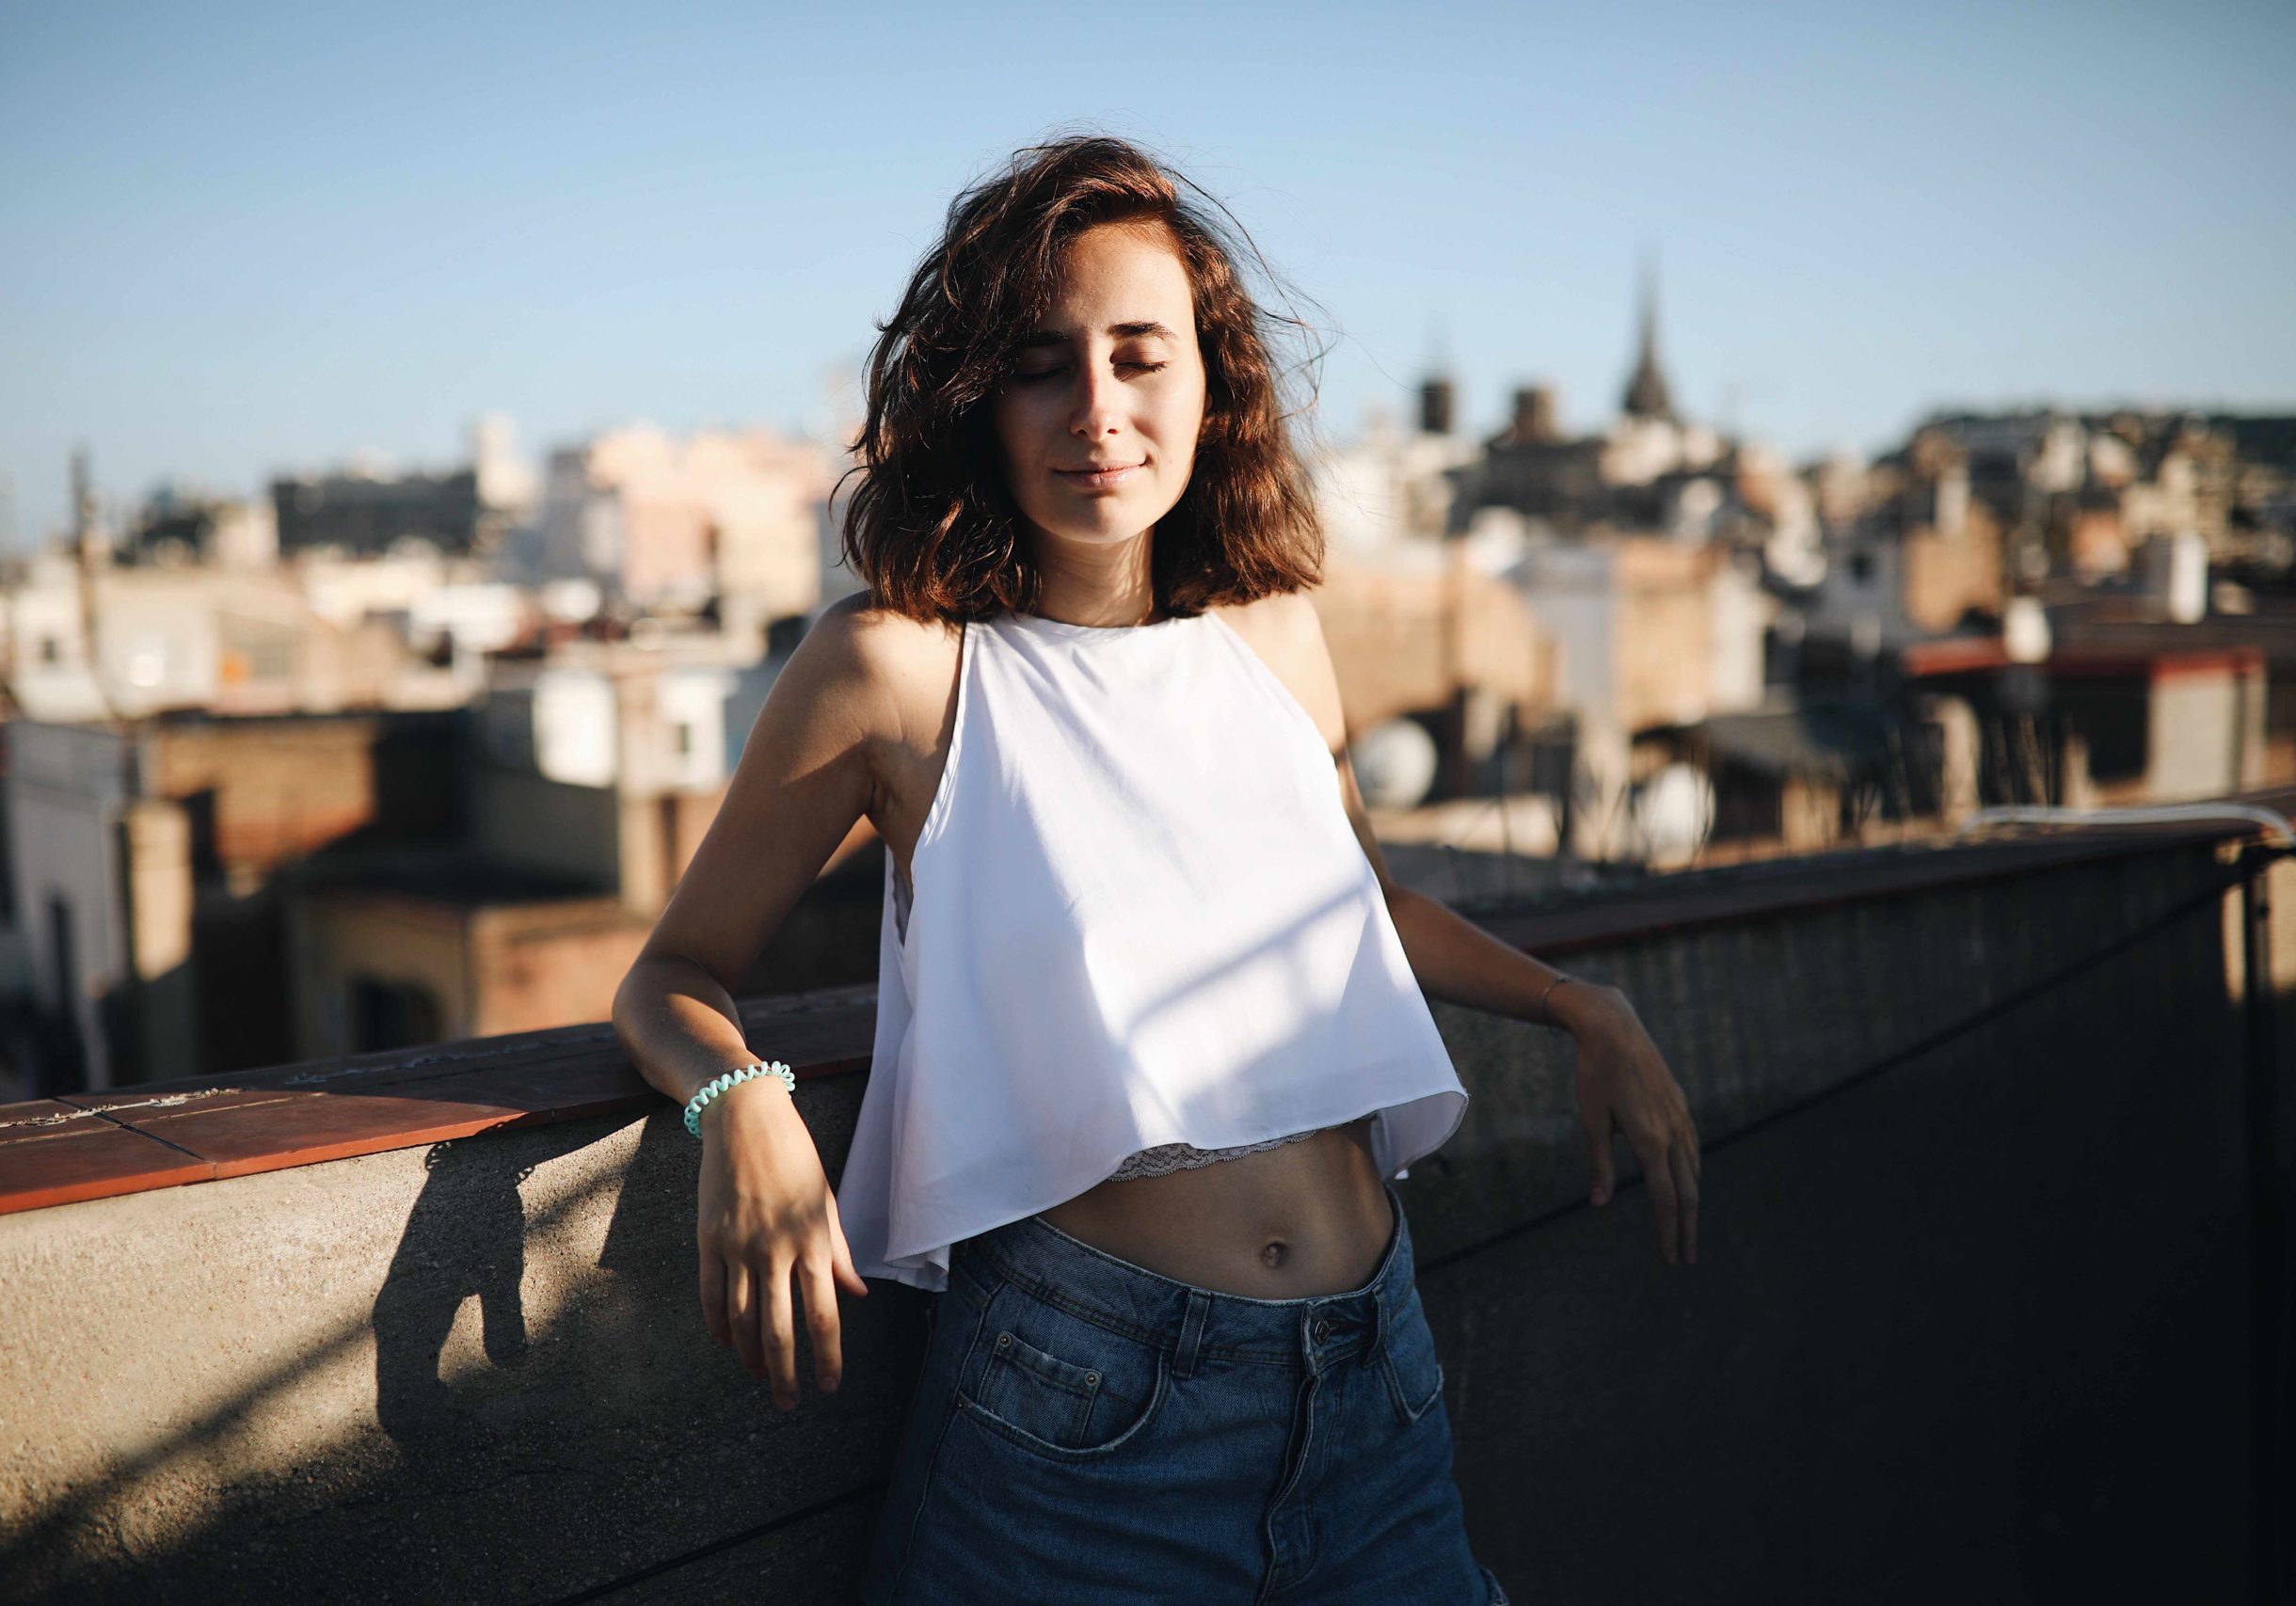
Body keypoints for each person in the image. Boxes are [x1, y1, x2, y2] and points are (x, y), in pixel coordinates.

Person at [611, 132, 1702, 1604]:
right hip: (1086, 1418)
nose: (1100, 410)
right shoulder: (897, 673)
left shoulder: (1271, 631)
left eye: (1142, 355)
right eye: (1044, 363)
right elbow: (674, 974)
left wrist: (1579, 1004)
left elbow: (1363, 914)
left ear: (1210, 380)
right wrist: (743, 1107)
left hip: (1376, 1378)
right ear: (978, 400)